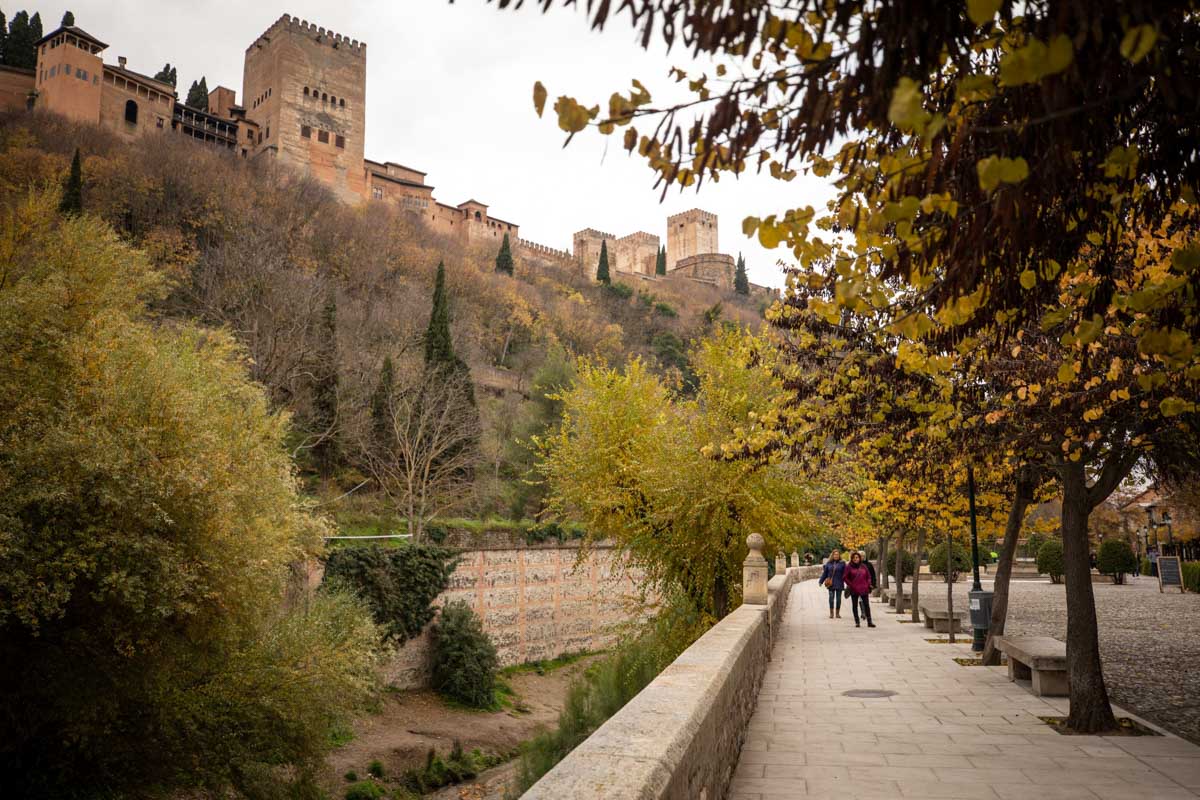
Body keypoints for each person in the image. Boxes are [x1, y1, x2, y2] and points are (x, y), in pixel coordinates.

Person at [843, 551, 876, 628]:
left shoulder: (863, 566)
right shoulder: (849, 567)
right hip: (854, 589)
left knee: (866, 605)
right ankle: (857, 622)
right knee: (855, 606)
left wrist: (868, 584)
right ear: (852, 558)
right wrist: (850, 584)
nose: (856, 559)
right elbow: (845, 577)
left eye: (857, 557)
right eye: (854, 558)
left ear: (859, 558)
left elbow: (868, 576)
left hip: (864, 589)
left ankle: (869, 621)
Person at [816, 549, 846, 619]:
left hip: (839, 583)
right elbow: (825, 573)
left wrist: (849, 582)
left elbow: (846, 574)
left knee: (838, 599)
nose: (836, 556)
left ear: (839, 555)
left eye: (837, 554)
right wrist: (821, 581)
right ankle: (831, 613)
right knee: (831, 598)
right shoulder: (828, 563)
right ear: (832, 555)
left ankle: (837, 613)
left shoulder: (842, 563)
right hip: (830, 583)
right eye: (835, 554)